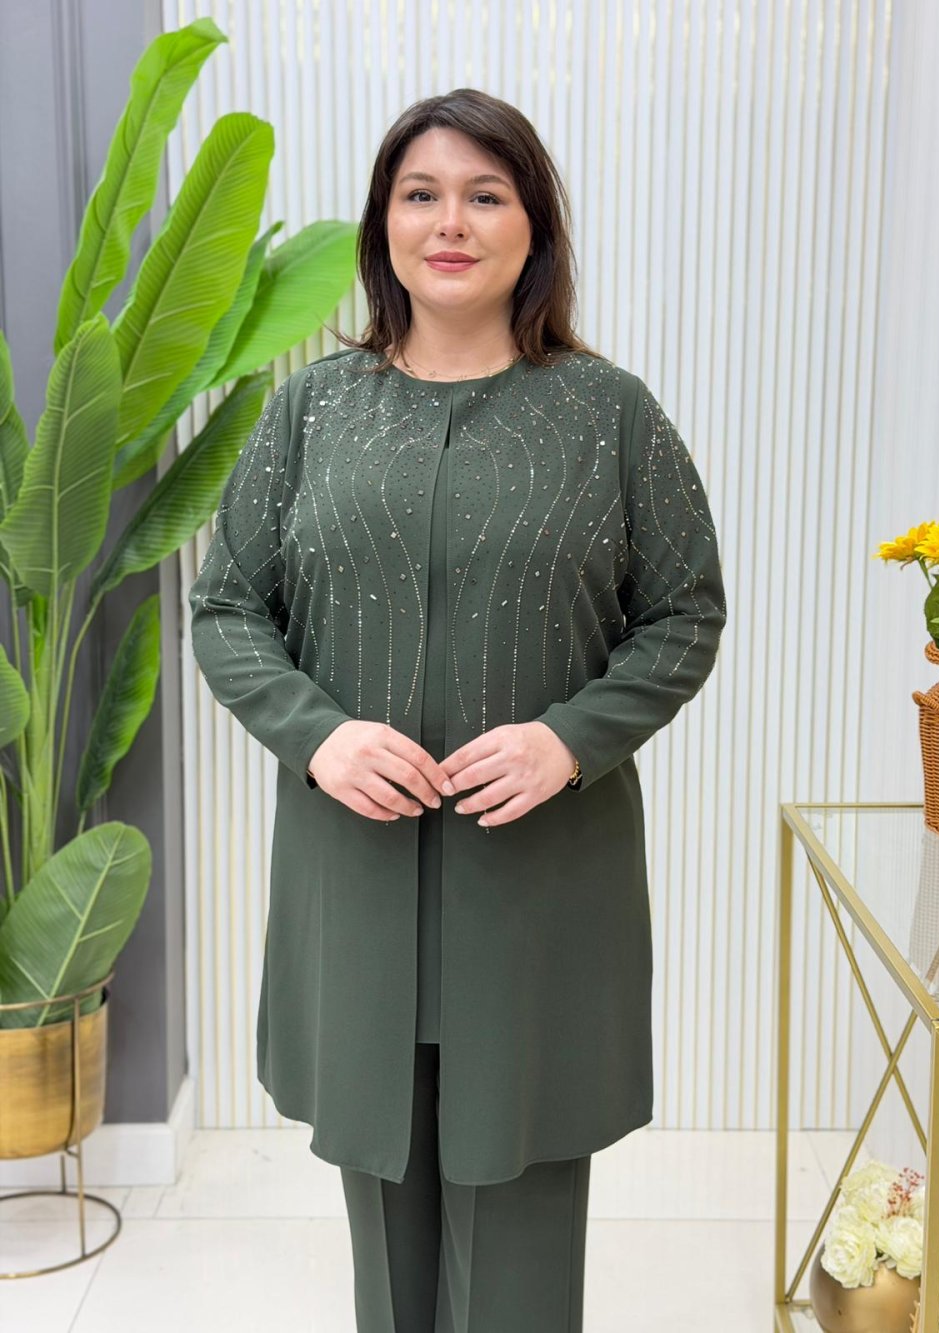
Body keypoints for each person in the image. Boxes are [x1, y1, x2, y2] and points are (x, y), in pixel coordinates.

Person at [188, 86, 727, 1333]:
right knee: (385, 1235)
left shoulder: (610, 415)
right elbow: (226, 608)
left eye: (485, 195)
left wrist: (568, 740)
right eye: (419, 194)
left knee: (521, 1227)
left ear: (533, 226)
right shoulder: (310, 411)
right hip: (356, 881)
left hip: (537, 889)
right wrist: (319, 735)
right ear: (382, 222)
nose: (450, 223)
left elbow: (684, 613)